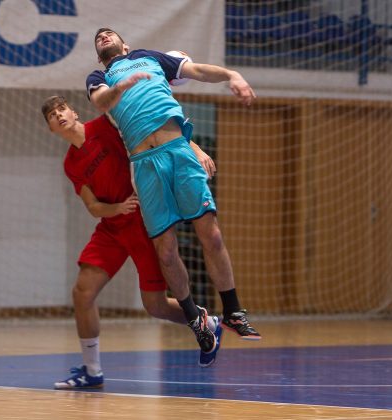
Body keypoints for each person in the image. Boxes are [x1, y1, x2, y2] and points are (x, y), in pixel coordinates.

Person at [86, 28, 261, 355]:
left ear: (126, 45)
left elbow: (197, 71)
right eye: (99, 37)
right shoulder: (100, 78)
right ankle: (195, 318)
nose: (104, 35)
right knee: (166, 252)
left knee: (212, 235)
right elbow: (100, 101)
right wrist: (120, 87)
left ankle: (233, 312)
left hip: (178, 152)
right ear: (99, 56)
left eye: (109, 33)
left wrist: (232, 75)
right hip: (144, 164)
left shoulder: (149, 58)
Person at [41, 96, 223, 390]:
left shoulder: (104, 125)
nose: (58, 115)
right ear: (51, 128)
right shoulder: (71, 164)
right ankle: (92, 370)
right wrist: (116, 209)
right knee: (82, 292)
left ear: (74, 112)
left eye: (61, 109)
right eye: (52, 115)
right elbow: (93, 206)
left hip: (142, 220)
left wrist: (193, 146)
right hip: (112, 227)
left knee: (155, 306)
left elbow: (149, 127)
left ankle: (208, 322)